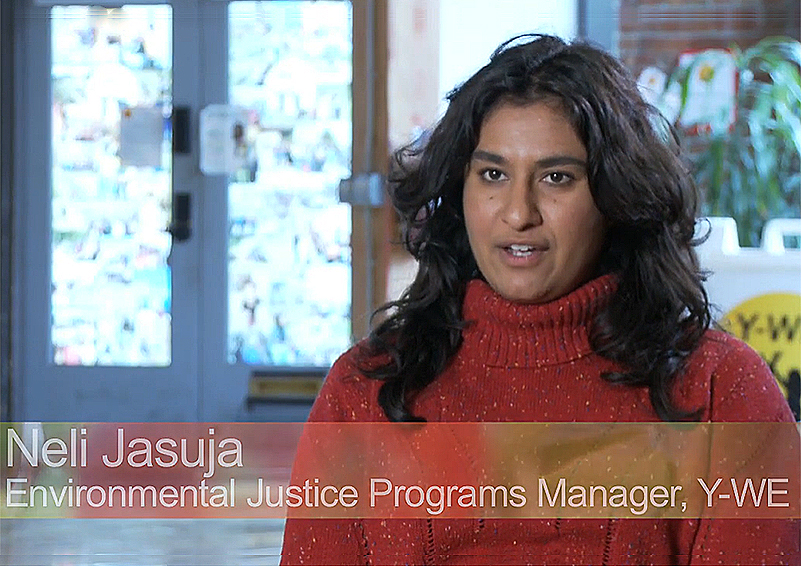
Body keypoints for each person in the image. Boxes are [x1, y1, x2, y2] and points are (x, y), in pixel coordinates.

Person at [280, 34, 799, 565]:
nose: (517, 212)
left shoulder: (720, 389)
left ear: (615, 195)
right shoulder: (364, 389)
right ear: (459, 192)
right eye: (493, 175)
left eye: (556, 177)